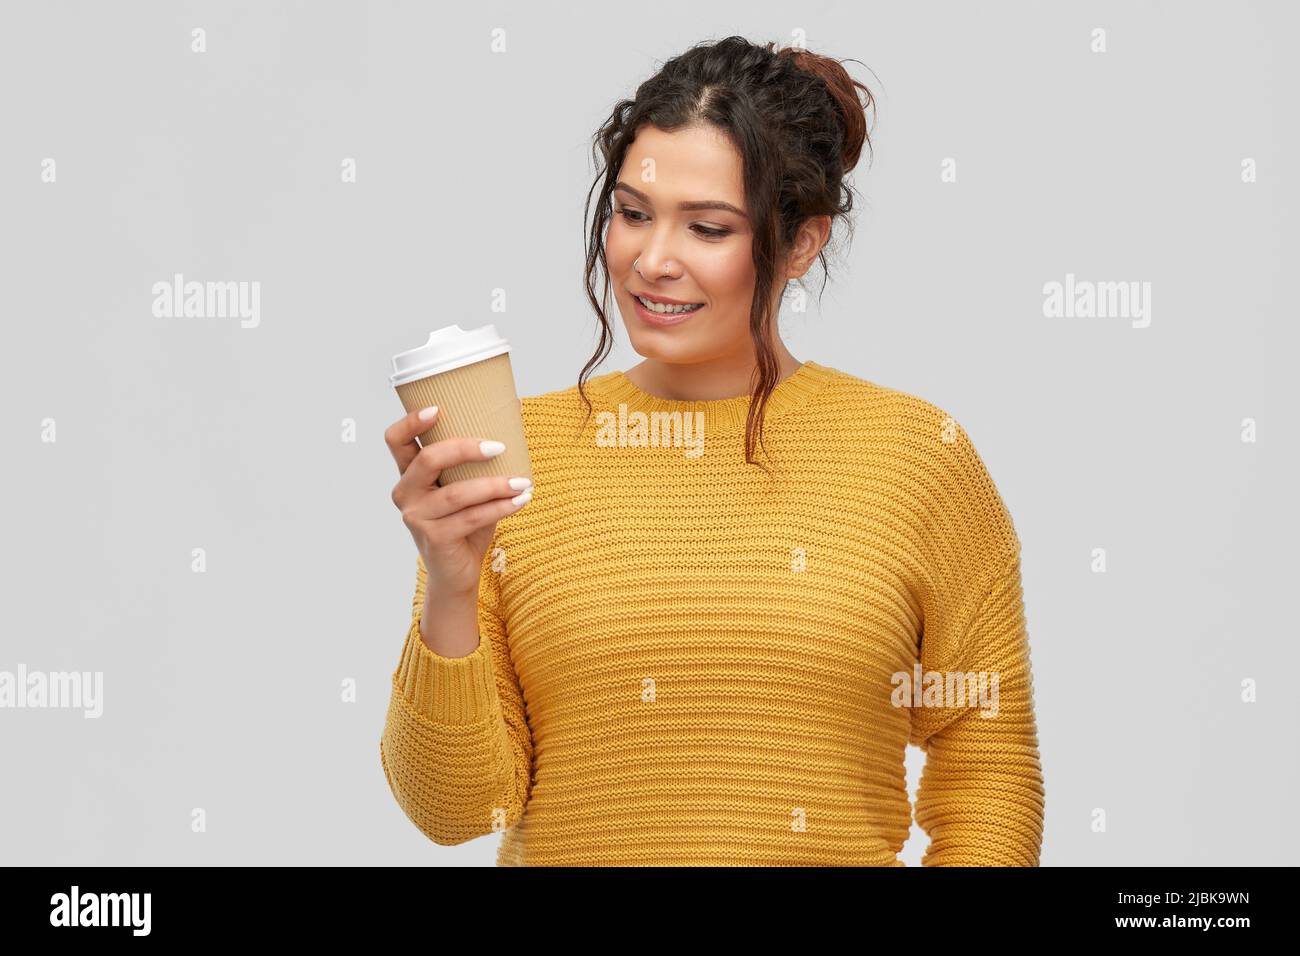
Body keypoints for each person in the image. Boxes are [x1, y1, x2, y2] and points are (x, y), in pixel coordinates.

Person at [380, 35, 1045, 866]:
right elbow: (455, 810)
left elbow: (987, 766)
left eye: (707, 227)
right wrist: (451, 584)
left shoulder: (917, 455)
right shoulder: (516, 456)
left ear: (800, 244)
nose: (652, 261)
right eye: (631, 214)